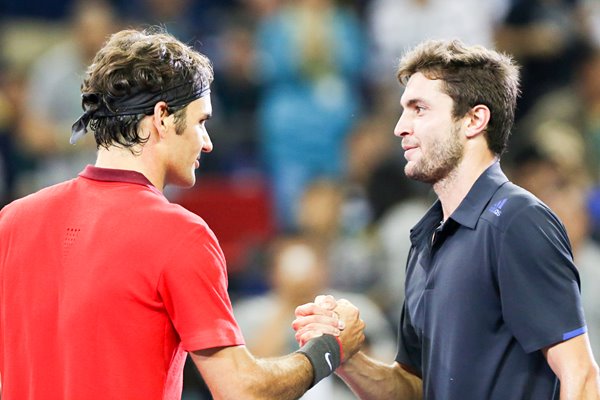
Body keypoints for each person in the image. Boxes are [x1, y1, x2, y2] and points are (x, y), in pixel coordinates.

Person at [0, 28, 365, 400]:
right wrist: (328, 349)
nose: (207, 143)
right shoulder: (180, 234)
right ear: (161, 117)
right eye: (200, 121)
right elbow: (244, 391)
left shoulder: (11, 221)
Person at [293, 39, 600, 399]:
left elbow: (580, 376)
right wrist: (345, 355)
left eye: (419, 109)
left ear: (474, 120)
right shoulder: (426, 238)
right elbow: (412, 389)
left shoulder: (517, 220)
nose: (400, 127)